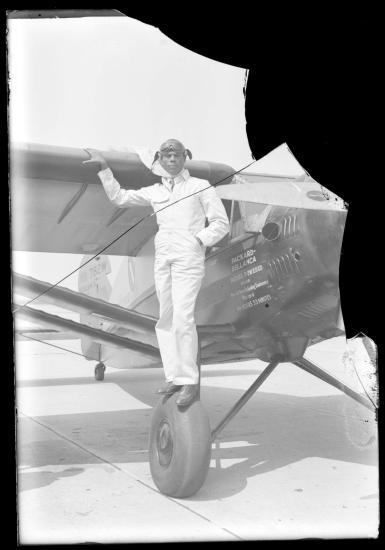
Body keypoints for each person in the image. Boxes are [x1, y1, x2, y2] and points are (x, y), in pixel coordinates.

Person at [83, 139, 229, 407]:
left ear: (185, 157)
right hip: (164, 258)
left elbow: (221, 223)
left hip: (188, 257)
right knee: (165, 319)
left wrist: (199, 240)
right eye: (166, 155)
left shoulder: (200, 187)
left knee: (184, 318)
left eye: (177, 154)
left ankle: (188, 382)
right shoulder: (154, 191)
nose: (171, 159)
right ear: (160, 160)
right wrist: (104, 169)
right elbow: (120, 198)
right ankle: (174, 376)